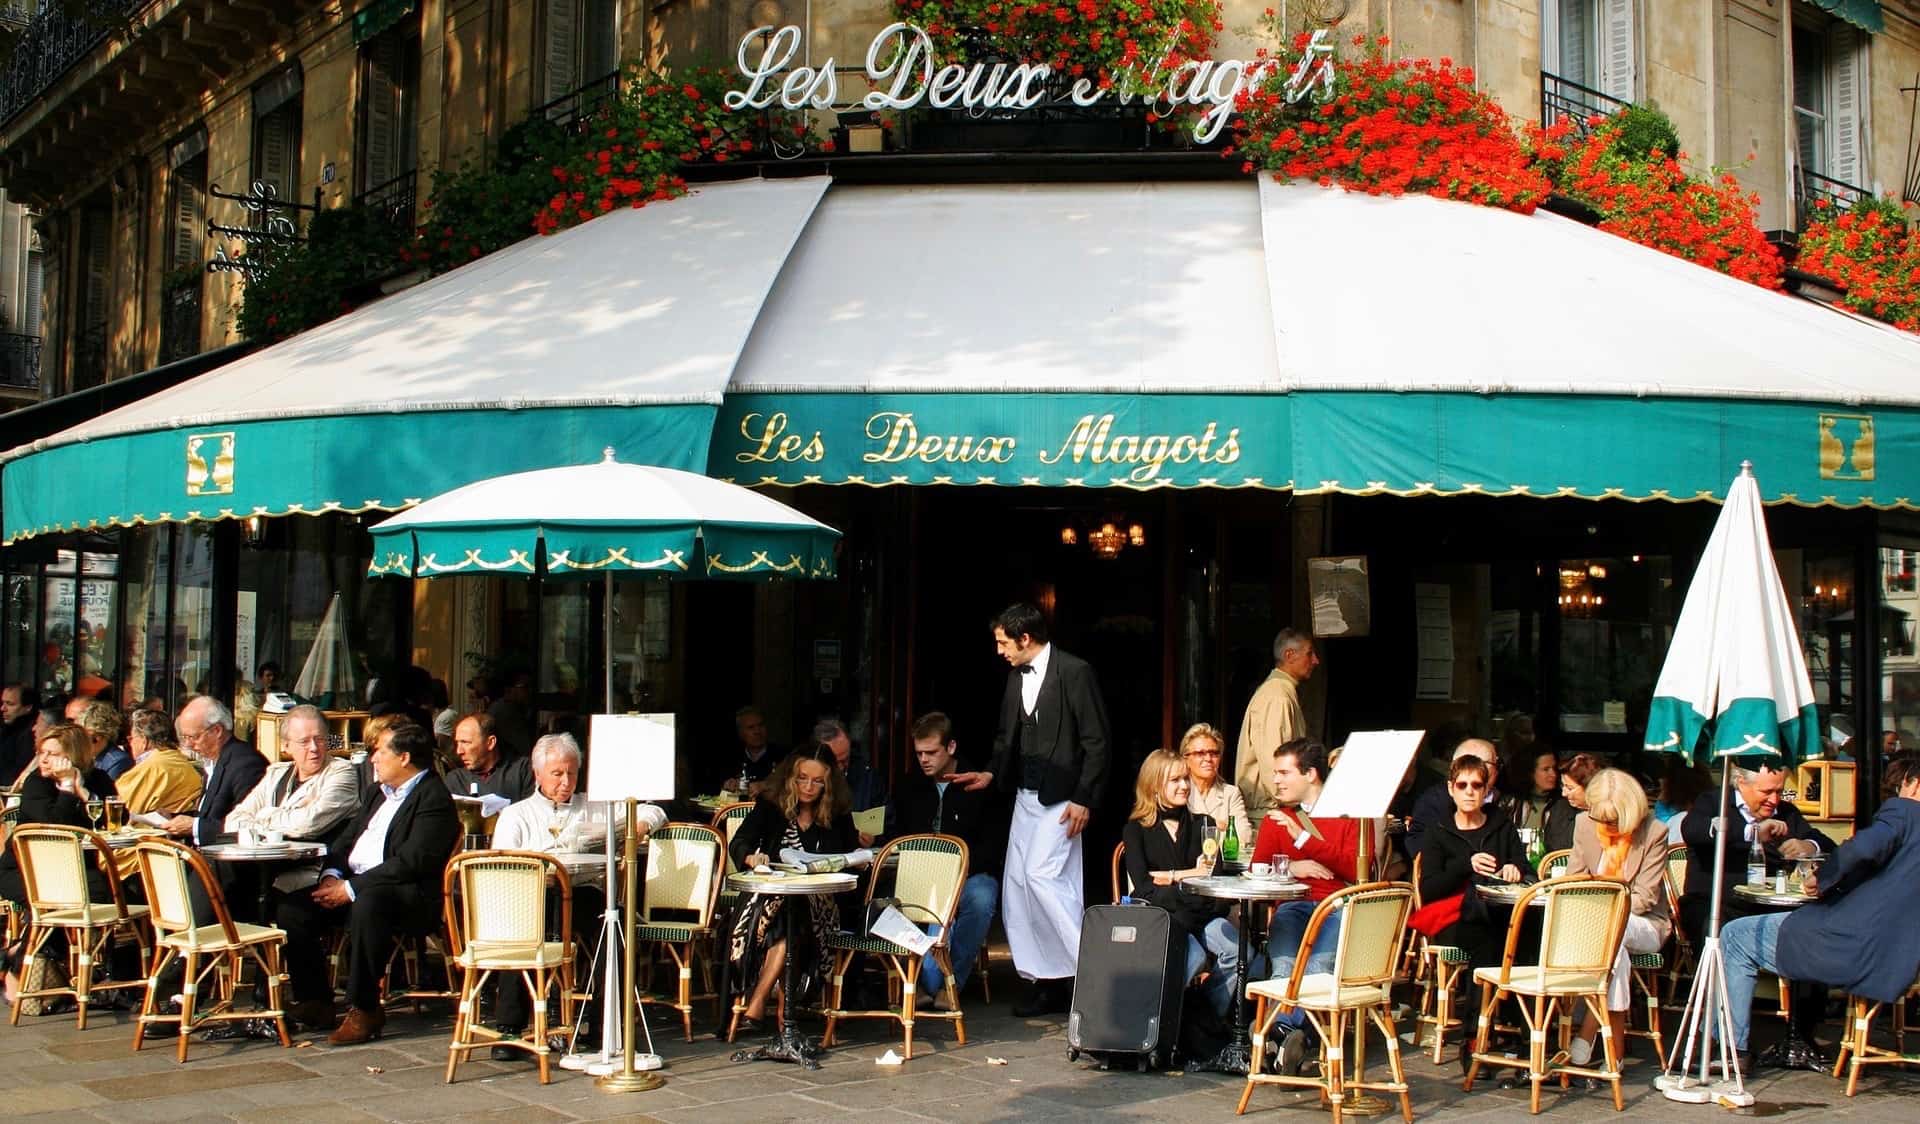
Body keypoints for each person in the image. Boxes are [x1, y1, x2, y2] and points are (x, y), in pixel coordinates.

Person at [949, 602, 1111, 1018]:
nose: (1000, 650)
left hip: (1062, 800)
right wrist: (989, 773)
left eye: (1004, 642)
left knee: (1044, 878)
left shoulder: (1075, 672)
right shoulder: (1014, 678)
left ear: (1025, 638)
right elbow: (1007, 738)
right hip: (1025, 795)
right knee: (1019, 887)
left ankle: (1091, 973)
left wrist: (1084, 798)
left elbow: (1097, 742)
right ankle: (1047, 982)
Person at [1716, 751, 1920, 1072]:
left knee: (1736, 935)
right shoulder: (1713, 803)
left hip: (1853, 945)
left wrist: (1824, 878)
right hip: (1902, 954)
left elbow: (1862, 848)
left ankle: (1731, 1049)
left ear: (1913, 784)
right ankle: (1793, 1037)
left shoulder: (1906, 812)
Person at [278, 723, 461, 1044]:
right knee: (293, 909)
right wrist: (332, 876)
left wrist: (351, 889)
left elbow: (411, 862)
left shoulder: (433, 797)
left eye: (381, 752)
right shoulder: (376, 793)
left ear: (404, 757)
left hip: (406, 895)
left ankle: (364, 1008)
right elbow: (345, 842)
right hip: (356, 884)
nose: (373, 759)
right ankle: (315, 1000)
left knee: (368, 904)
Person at [490, 733, 663, 1058]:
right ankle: (510, 1027)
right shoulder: (518, 815)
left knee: (616, 929)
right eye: (557, 774)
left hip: (583, 891)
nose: (566, 781)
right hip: (534, 894)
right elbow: (504, 866)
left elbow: (654, 811)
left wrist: (639, 825)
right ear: (538, 774)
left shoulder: (594, 808)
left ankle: (606, 1025)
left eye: (572, 772)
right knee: (519, 929)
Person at [1680, 758, 1833, 1067]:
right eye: (1766, 792)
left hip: (1763, 906)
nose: (1774, 799)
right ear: (1741, 783)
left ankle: (1801, 1035)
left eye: (1779, 791)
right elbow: (1694, 831)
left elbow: (1826, 842)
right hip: (1713, 903)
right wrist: (1753, 833)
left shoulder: (1784, 812)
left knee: (1812, 933)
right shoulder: (1714, 802)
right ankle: (1722, 1043)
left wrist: (1806, 846)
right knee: (1723, 937)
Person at [726, 746, 865, 1035]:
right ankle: (775, 1007)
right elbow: (740, 842)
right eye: (802, 778)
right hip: (770, 897)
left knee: (796, 914)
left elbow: (850, 856)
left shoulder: (837, 812)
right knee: (785, 916)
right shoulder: (772, 805)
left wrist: (853, 859)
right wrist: (752, 857)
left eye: (817, 781)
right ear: (790, 777)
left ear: (828, 784)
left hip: (821, 902)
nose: (808, 787)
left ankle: (760, 1002)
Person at [1250, 737, 1359, 1067]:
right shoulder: (1275, 818)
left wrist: (1302, 839)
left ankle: (1280, 1032)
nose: (1276, 781)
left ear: (1310, 774)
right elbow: (1259, 867)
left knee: (1317, 969)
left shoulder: (1346, 812)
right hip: (1294, 904)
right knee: (1283, 967)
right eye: (1275, 773)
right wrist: (1291, 866)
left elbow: (1354, 867)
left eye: (1284, 773)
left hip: (1336, 904)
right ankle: (1291, 1039)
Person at [883, 712, 1005, 1004]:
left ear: (950, 747)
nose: (924, 759)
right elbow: (896, 834)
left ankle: (950, 986)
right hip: (921, 878)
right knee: (887, 901)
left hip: (969, 874)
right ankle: (926, 982)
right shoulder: (909, 785)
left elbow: (992, 845)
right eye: (919, 753)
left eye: (931, 752)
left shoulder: (976, 785)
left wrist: (958, 874)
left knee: (981, 898)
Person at [0, 724, 120, 1000]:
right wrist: (67, 789)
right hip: (22, 871)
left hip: (74, 872)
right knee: (59, 902)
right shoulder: (36, 784)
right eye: (41, 752)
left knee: (108, 894)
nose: (43, 759)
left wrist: (83, 792)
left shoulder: (98, 778)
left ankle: (18, 955)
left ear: (74, 756)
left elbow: (117, 821)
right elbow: (55, 829)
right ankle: (25, 969)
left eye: (52, 754)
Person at [1563, 768, 1673, 1066]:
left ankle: (1588, 1031)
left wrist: (1603, 912)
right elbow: (1574, 879)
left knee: (1617, 929)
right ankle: (1616, 1047)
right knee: (1616, 949)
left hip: (1644, 922)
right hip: (1593, 924)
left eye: (1614, 822)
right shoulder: (1584, 823)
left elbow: (1644, 898)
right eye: (1603, 819)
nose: (1608, 827)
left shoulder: (1654, 832)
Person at [1120, 750, 1239, 1018]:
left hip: (1205, 914)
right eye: (1175, 780)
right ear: (1154, 786)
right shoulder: (1136, 830)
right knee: (1193, 958)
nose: (1184, 785)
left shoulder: (1203, 824)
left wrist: (1171, 877)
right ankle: (1160, 1024)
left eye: (1185, 778)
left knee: (1240, 953)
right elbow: (1143, 888)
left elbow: (1214, 879)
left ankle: (1204, 1018)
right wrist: (1191, 875)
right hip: (1165, 918)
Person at [224, 705, 360, 922]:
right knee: (220, 873)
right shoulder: (276, 773)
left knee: (232, 879)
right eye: (304, 742)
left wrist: (263, 815)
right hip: (268, 865)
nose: (314, 748)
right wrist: (277, 818)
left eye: (320, 739)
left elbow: (308, 824)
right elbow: (234, 820)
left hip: (312, 870)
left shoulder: (341, 772)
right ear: (286, 746)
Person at [1416, 754, 1527, 973]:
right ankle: (1480, 1007)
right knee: (1488, 937)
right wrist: (1466, 865)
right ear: (1451, 788)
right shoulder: (1437, 831)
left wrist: (1515, 868)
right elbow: (1429, 889)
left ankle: (1513, 1004)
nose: (1469, 791)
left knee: (1526, 931)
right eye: (1462, 785)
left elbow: (1523, 865)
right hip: (1451, 916)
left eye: (1476, 785)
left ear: (1486, 790)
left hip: (1499, 912)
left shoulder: (1502, 826)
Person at [1235, 628, 1319, 820]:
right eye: (1309, 653)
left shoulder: (1283, 693)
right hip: (1273, 814)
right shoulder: (1277, 697)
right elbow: (1274, 763)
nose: (1315, 660)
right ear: (1289, 655)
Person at [163, 696, 267, 846]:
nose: (188, 744)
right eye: (184, 737)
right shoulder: (214, 761)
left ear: (217, 730)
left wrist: (194, 827)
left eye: (194, 737)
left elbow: (248, 827)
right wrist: (174, 818)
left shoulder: (246, 764)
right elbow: (209, 814)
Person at [1406, 738, 1503, 860]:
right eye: (1492, 764)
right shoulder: (1434, 800)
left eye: (1497, 764)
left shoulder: (1502, 799)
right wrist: (1464, 861)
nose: (1496, 770)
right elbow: (1417, 843)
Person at [113, 709, 204, 816]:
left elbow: (117, 806)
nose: (130, 744)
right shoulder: (180, 760)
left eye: (131, 738)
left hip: (155, 830)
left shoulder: (152, 766)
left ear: (144, 740)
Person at [1180, 723, 1251, 846]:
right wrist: (1219, 828)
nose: (1208, 758)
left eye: (1214, 753)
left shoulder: (1230, 793)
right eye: (1200, 753)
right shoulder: (1178, 791)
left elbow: (1243, 837)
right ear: (1186, 758)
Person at [1500, 748, 1575, 856]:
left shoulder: (1565, 806)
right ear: (1530, 772)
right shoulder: (1510, 804)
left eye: (1554, 768)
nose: (1553, 774)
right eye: (1546, 769)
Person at [443, 712, 534, 800]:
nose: (459, 751)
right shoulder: (456, 780)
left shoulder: (522, 771)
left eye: (465, 742)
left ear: (490, 743)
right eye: (457, 743)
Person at [815, 716, 888, 817]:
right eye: (835, 762)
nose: (841, 767)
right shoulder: (806, 783)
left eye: (845, 760)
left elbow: (887, 818)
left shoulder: (868, 776)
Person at [720, 705, 781, 797]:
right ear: (740, 733)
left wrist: (764, 785)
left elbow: (789, 783)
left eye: (760, 725)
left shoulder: (783, 755)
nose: (757, 731)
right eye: (751, 727)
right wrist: (728, 786)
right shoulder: (731, 759)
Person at [75, 698, 131, 781]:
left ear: (98, 737)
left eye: (83, 737)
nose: (79, 742)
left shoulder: (117, 762)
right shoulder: (88, 758)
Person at [487, 670, 536, 759]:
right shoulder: (506, 712)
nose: (530, 691)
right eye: (525, 687)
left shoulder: (504, 707)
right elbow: (527, 749)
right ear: (509, 690)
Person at [1, 683, 37, 782]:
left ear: (28, 707)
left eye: (10, 704)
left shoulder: (31, 733)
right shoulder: (6, 728)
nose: (3, 709)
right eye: (3, 703)